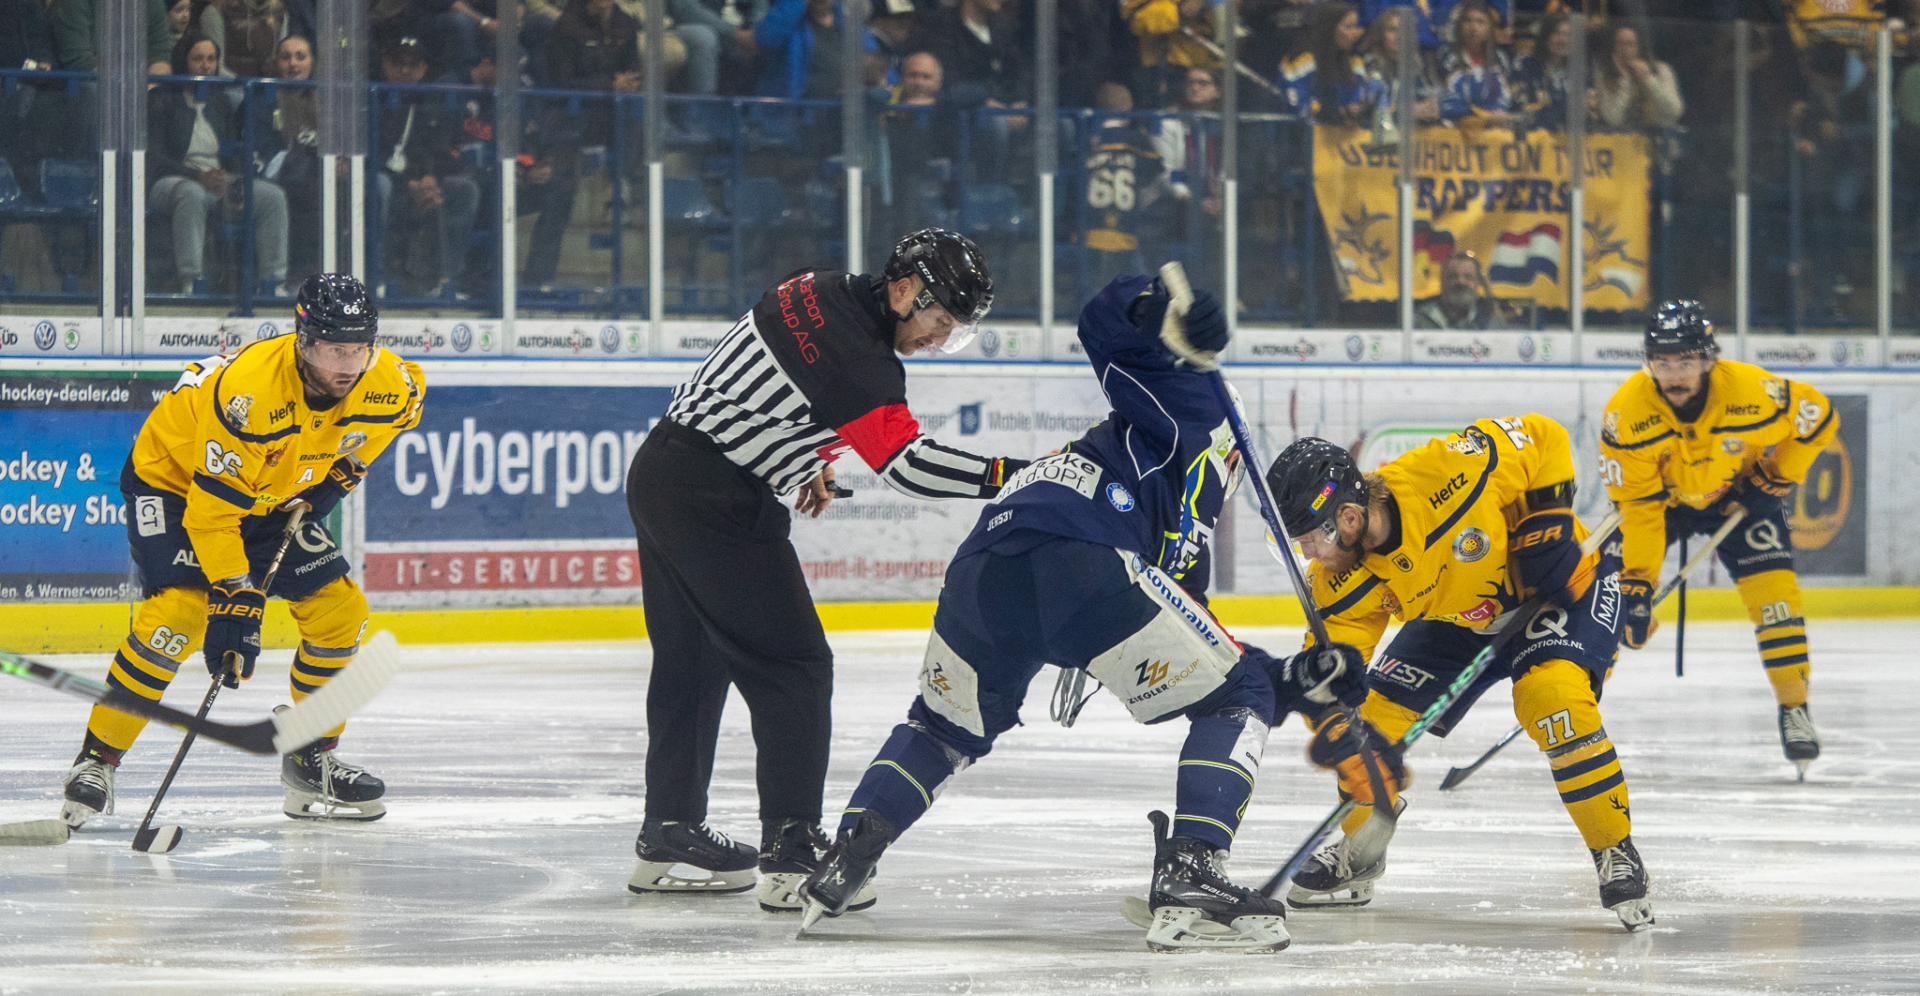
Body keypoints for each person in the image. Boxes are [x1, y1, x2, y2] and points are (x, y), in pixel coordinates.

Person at [794, 272, 1364, 952]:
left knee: (944, 725)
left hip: (985, 564)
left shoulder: (1181, 517)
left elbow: (1194, 636)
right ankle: (1193, 867)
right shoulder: (1200, 405)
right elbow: (1102, 322)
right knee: (1236, 696)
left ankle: (850, 852)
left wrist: (1301, 678)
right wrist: (1161, 305)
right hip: (1082, 559)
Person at [623, 229, 1031, 912]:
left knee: (692, 663)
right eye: (938, 321)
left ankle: (669, 832)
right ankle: (790, 851)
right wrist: (1021, 477)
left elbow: (766, 383)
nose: (937, 338)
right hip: (717, 500)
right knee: (795, 667)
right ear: (904, 290)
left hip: (664, 473)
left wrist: (805, 460)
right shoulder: (862, 361)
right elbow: (911, 467)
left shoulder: (819, 289)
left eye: (953, 332)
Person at [59, 273, 424, 828]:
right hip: (178, 487)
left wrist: (343, 475)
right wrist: (234, 593)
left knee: (339, 612)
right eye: (332, 348)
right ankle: (97, 760)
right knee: (179, 616)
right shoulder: (252, 394)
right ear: (303, 341)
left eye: (358, 348)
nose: (347, 364)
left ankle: (311, 759)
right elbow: (213, 516)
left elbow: (403, 410)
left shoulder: (388, 381)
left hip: (269, 489)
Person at [1266, 419, 1653, 932]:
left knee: (1551, 697)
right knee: (1370, 728)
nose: (1308, 555)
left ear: (1350, 517)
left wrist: (1552, 521)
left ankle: (1615, 850)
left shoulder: (1445, 471)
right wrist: (1335, 726)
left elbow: (1542, 435)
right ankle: (1360, 850)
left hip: (1558, 586)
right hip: (1458, 619)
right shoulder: (1340, 579)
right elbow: (1331, 673)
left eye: (1310, 539)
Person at [1598, 301, 1837, 778]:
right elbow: (1641, 511)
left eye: (1685, 361)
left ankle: (1795, 707)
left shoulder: (1752, 392)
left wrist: (1777, 477)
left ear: (1708, 359)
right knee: (1606, 598)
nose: (1674, 375)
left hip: (1739, 499)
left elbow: (1819, 417)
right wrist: (1638, 584)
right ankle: (1579, 698)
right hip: (1664, 505)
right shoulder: (1626, 416)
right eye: (1662, 362)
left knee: (1776, 603)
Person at [148, 35, 290, 296]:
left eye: (211, 59)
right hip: (171, 181)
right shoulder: (162, 98)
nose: (206, 66)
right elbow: (155, 158)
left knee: (272, 196)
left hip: (217, 180)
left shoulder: (221, 101)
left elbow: (235, 150)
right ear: (183, 61)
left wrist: (238, 181)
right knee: (191, 194)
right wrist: (197, 175)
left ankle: (273, 282)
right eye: (198, 59)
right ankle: (192, 281)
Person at [371, 34, 479, 298]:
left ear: (423, 69)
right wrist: (409, 184)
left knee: (463, 189)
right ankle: (377, 276)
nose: (404, 70)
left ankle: (445, 280)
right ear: (385, 64)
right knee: (380, 185)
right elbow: (370, 152)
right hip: (388, 183)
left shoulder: (431, 102)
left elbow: (437, 149)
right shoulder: (370, 100)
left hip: (420, 185)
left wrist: (430, 178)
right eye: (397, 62)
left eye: (412, 64)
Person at [1082, 82, 1168, 288]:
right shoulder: (1137, 140)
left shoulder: (1089, 141)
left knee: (1094, 277)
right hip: (1128, 223)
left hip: (1093, 224)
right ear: (1127, 111)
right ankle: (1152, 308)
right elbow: (1158, 174)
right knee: (1139, 274)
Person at [1280, 1, 1383, 127]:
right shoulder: (1302, 60)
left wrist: (1359, 112)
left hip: (1345, 140)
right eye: (1348, 27)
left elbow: (1360, 101)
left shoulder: (1355, 61)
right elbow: (1298, 106)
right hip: (1301, 139)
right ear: (1329, 28)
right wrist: (1338, 113)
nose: (1354, 33)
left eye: (1355, 26)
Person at [1592, 21, 1681, 132]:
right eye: (1620, 44)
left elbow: (1675, 111)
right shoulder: (1605, 76)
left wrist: (1649, 80)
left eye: (1630, 44)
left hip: (1659, 139)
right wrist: (1625, 82)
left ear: (1639, 47)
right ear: (1613, 47)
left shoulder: (1661, 70)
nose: (1624, 50)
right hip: (1622, 141)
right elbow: (1613, 119)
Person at [1437, 0, 1513, 127]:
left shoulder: (1501, 59)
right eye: (1468, 20)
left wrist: (1499, 113)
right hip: (1455, 129)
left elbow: (1505, 97)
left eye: (1480, 21)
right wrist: (1482, 115)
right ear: (1459, 25)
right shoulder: (1447, 57)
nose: (1473, 27)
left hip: (1493, 129)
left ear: (1490, 27)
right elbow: (1447, 100)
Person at [1415, 252, 1500, 329]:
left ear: (1477, 283)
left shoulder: (1491, 321)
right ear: (1442, 281)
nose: (1461, 282)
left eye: (1468, 277)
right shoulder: (1418, 319)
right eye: (1453, 276)